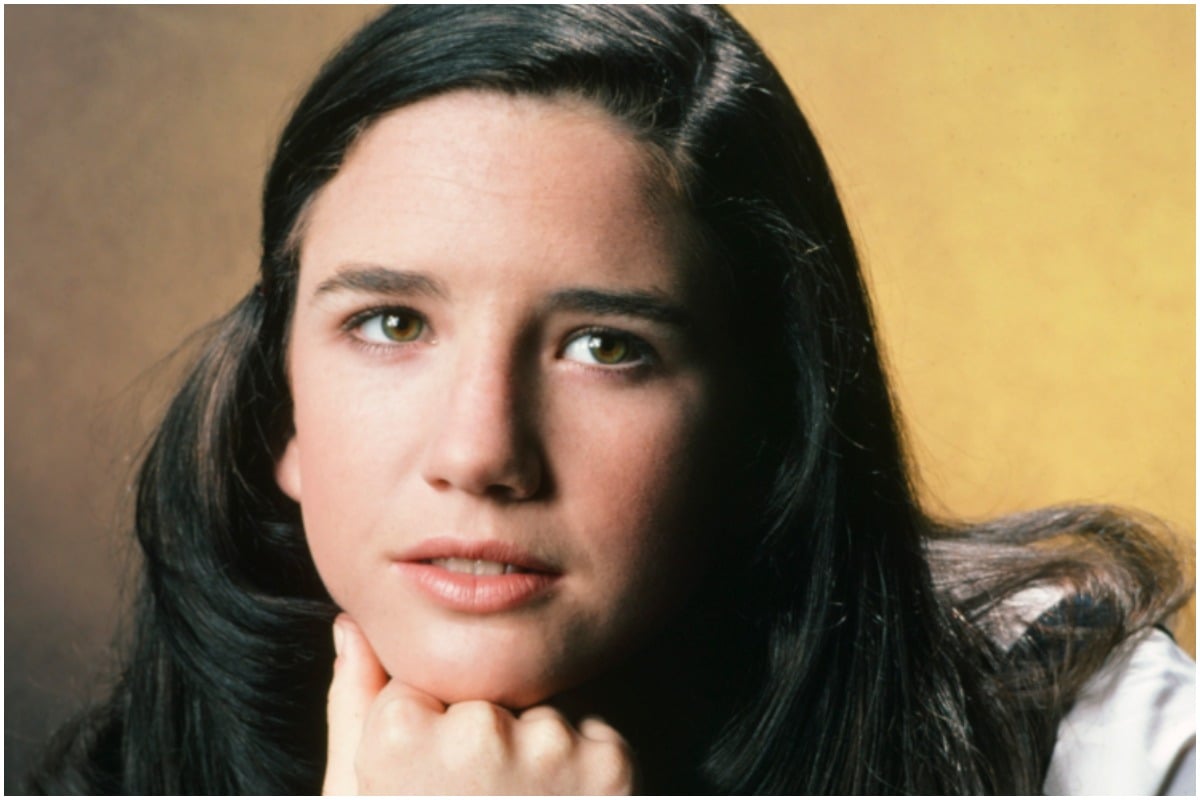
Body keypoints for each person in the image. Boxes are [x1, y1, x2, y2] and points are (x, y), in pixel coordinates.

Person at [26, 5, 1193, 794]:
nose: (481, 450)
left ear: (765, 424)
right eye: (390, 324)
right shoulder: (127, 768)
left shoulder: (1097, 746)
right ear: (278, 412)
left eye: (603, 344)